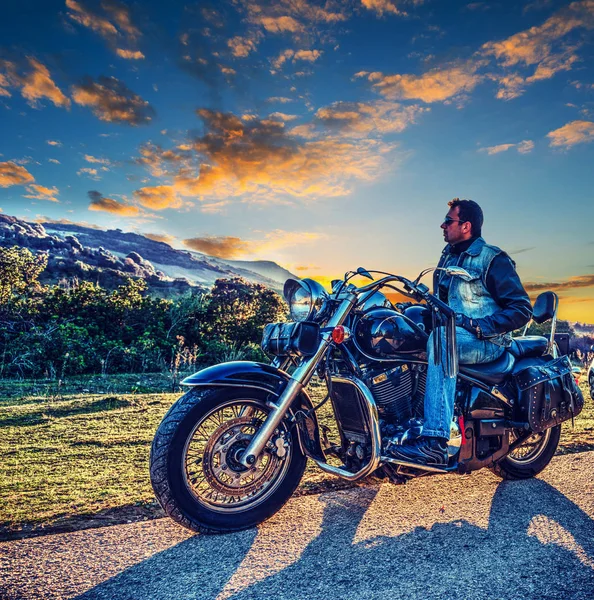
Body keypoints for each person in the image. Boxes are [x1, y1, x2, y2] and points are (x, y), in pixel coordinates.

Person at [386, 198, 533, 466]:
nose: (442, 225)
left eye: (448, 220)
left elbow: (522, 309)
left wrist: (482, 325)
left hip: (486, 340)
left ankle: (435, 442)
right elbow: (444, 306)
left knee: (442, 342)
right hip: (457, 336)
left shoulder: (491, 258)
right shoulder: (448, 258)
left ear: (466, 226)